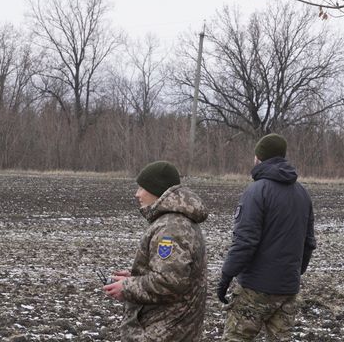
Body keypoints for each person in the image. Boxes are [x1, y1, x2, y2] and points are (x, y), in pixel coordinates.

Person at [216, 133, 316, 341]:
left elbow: (245, 242)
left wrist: (226, 275)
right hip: (287, 289)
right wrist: (293, 273)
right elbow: (308, 243)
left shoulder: (256, 191)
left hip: (255, 288)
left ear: (259, 158)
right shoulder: (302, 193)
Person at [103, 160, 208, 341]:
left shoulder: (172, 228)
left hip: (165, 331)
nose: (137, 194)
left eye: (142, 188)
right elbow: (172, 272)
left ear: (156, 191)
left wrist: (127, 287)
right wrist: (135, 277)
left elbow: (169, 282)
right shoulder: (173, 222)